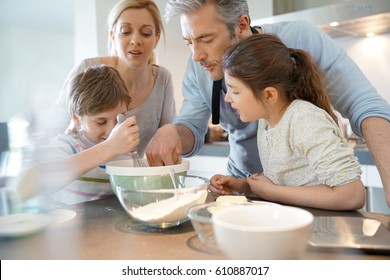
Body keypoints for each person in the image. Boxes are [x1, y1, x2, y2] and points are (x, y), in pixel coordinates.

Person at [145, 0, 390, 207]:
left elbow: (365, 105)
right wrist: (173, 132)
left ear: (241, 25)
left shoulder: (300, 40)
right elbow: (190, 127)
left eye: (206, 39)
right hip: (251, 189)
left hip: (307, 197)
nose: (196, 55)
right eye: (189, 42)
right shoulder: (199, 66)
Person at [210, 34, 365, 210]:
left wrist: (271, 192)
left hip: (327, 229)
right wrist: (243, 186)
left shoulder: (303, 119)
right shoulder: (267, 121)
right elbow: (287, 181)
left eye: (235, 91)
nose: (228, 99)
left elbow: (352, 195)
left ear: (269, 95)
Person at [59, 0, 176, 157]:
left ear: (156, 39)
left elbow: (168, 138)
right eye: (126, 31)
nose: (136, 41)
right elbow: (54, 130)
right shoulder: (86, 69)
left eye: (146, 33)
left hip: (134, 177)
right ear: (112, 35)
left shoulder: (163, 79)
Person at [14, 65, 140, 205]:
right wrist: (109, 148)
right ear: (76, 118)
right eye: (101, 121)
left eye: (120, 118)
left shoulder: (126, 150)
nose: (112, 130)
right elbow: (23, 187)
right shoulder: (68, 145)